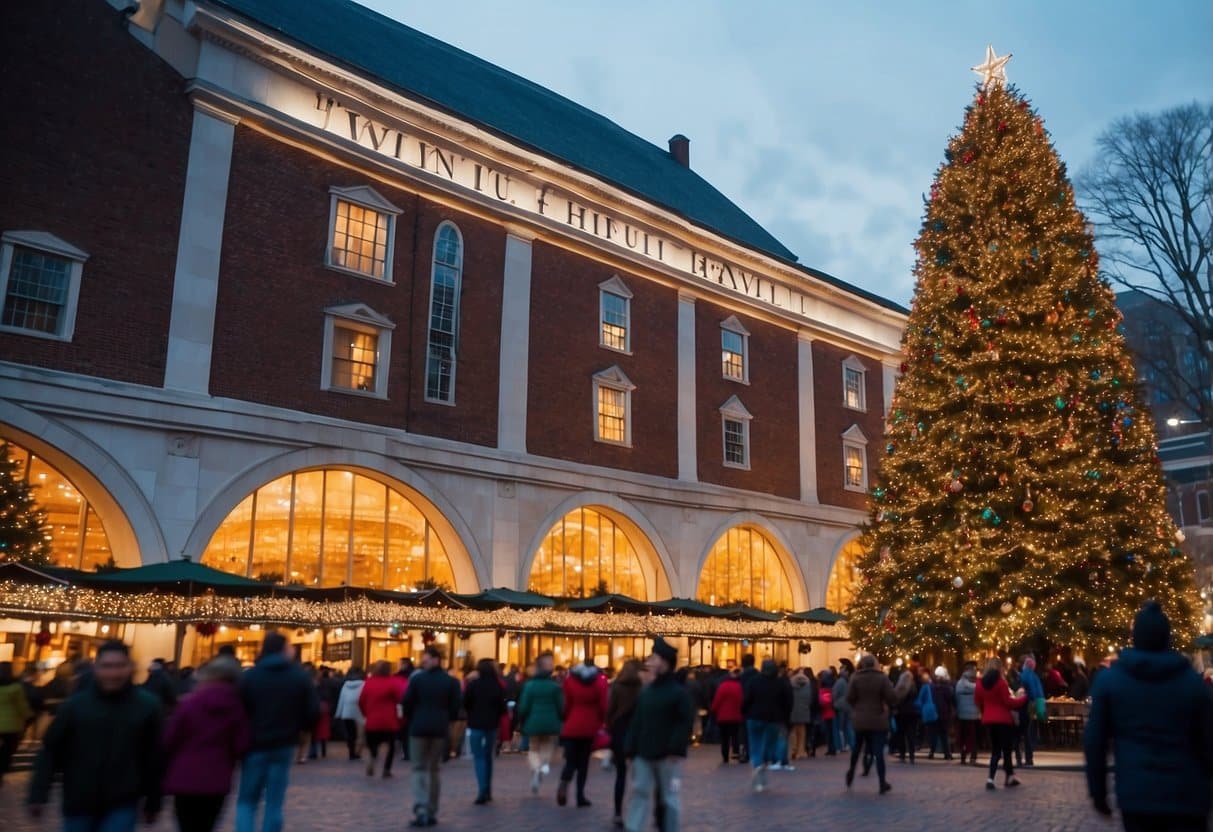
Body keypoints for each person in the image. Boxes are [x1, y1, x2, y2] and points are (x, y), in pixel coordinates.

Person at [1085, 601, 1213, 831]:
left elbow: (1095, 742)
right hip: (1187, 793)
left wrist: (1098, 793)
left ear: (1135, 637)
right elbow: (1207, 740)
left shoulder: (1111, 681)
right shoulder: (1192, 683)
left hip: (1137, 794)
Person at [28, 640, 163, 830]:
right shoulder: (74, 706)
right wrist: (38, 794)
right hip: (79, 800)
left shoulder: (147, 706)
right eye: (107, 666)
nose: (113, 673)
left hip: (122, 801)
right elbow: (51, 751)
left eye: (119, 666)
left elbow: (154, 757)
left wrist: (153, 801)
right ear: (96, 668)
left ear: (130, 667)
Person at [235, 632, 319, 832]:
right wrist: (299, 729)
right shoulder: (299, 677)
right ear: (284, 649)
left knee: (247, 800)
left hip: (254, 744)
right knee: (274, 802)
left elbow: (239, 710)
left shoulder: (250, 676)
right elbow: (312, 711)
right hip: (283, 744)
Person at [162, 656, 249, 832]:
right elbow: (242, 745)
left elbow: (170, 739)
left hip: (185, 776)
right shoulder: (236, 707)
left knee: (186, 825)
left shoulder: (189, 703)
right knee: (206, 826)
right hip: (217, 778)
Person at [623, 637, 693, 832]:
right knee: (640, 792)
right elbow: (637, 721)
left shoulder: (678, 693)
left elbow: (684, 723)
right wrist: (630, 748)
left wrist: (675, 748)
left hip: (667, 756)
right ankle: (633, 828)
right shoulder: (647, 692)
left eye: (653, 658)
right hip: (644, 753)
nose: (649, 662)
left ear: (664, 662)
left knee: (669, 798)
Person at [400, 644, 461, 828]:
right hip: (439, 729)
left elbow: (407, 703)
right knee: (434, 770)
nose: (423, 663)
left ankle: (421, 809)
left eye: (425, 659)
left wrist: (412, 718)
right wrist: (446, 719)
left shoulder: (418, 680)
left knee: (418, 768)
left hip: (418, 727)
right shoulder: (451, 682)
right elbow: (455, 707)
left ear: (434, 659)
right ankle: (432, 809)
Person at [844, 653, 896, 795]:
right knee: (878, 752)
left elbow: (849, 697)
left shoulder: (856, 678)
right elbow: (891, 697)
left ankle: (851, 772)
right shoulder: (882, 678)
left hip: (860, 718)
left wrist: (857, 706)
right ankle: (881, 782)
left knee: (857, 749)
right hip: (878, 719)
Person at [558, 657, 608, 808]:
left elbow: (566, 704)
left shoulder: (570, 681)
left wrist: (566, 718)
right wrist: (601, 721)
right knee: (584, 763)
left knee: (570, 761)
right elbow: (603, 705)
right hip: (589, 726)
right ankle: (580, 796)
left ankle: (563, 784)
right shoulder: (600, 681)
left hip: (572, 725)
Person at [975, 657, 1026, 791]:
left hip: (989, 720)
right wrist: (1023, 699)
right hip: (1003, 720)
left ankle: (990, 779)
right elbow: (1008, 703)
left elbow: (977, 701)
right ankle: (1009, 778)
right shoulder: (1001, 683)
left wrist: (984, 712)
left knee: (995, 750)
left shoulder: (980, 684)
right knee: (1007, 750)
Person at [741, 658, 791, 793]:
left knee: (755, 744)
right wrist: (785, 718)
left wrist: (745, 712)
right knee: (770, 744)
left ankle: (757, 765)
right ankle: (763, 763)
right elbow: (787, 702)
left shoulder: (754, 681)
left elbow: (746, 700)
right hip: (773, 719)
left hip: (754, 717)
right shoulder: (780, 683)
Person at [517, 651, 563, 796]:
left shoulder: (529, 686)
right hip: (551, 723)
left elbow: (524, 706)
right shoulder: (555, 687)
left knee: (533, 748)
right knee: (548, 748)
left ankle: (536, 768)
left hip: (533, 722)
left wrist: (522, 718)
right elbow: (561, 706)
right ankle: (542, 767)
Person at [463, 658, 506, 805]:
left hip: (475, 724)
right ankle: (487, 790)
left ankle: (482, 789)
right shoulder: (497, 686)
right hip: (491, 725)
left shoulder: (473, 685)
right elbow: (502, 707)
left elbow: (465, 703)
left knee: (479, 757)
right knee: (488, 757)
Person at [607, 660, 642, 827]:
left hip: (619, 730)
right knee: (637, 776)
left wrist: (610, 726)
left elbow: (610, 709)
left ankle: (617, 813)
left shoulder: (616, 686)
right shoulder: (641, 688)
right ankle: (634, 812)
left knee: (620, 775)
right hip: (636, 732)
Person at [359, 660, 407, 779]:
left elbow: (361, 701)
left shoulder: (369, 682)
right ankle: (386, 769)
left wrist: (366, 713)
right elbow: (400, 698)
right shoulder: (392, 682)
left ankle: (372, 757)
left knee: (372, 744)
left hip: (372, 720)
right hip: (389, 720)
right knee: (391, 746)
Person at [0, 661, 33, 787]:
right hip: (11, 726)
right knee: (8, 750)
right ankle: (2, 770)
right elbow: (22, 706)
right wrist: (29, 716)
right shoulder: (16, 687)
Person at [1015, 654, 1045, 767]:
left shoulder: (1024, 675)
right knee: (1029, 730)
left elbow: (1027, 691)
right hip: (1035, 703)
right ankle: (1029, 757)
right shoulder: (1034, 675)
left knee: (1023, 731)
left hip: (1026, 705)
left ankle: (1024, 757)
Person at [709, 668, 743, 765]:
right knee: (735, 735)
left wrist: (713, 710)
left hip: (723, 716)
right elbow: (741, 701)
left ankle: (725, 757)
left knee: (724, 738)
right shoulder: (739, 686)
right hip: (736, 716)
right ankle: (736, 752)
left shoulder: (722, 686)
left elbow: (717, 700)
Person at [333, 666, 365, 760]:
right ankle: (357, 752)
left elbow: (341, 699)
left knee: (350, 733)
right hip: (359, 710)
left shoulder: (346, 685)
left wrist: (339, 713)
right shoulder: (363, 684)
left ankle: (351, 752)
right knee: (360, 734)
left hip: (347, 711)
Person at [954, 661, 981, 766]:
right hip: (974, 714)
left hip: (962, 714)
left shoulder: (959, 683)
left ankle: (963, 756)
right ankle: (973, 757)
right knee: (973, 737)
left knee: (963, 736)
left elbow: (956, 697)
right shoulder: (977, 684)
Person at [893, 667, 919, 763]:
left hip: (901, 712)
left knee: (901, 734)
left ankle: (902, 754)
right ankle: (912, 755)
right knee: (911, 734)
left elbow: (896, 698)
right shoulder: (913, 686)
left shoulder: (900, 688)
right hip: (912, 712)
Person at [928, 666, 955, 760]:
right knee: (944, 734)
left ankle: (932, 752)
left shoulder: (931, 686)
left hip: (934, 712)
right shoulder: (947, 687)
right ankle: (947, 753)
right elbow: (951, 699)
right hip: (944, 712)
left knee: (933, 733)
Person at [788, 668, 813, 762]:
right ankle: (801, 751)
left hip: (793, 710)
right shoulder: (807, 684)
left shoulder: (791, 683)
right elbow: (809, 698)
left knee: (793, 731)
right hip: (804, 710)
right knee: (802, 732)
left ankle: (793, 751)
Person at [832, 662, 853, 754]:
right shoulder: (850, 681)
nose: (840, 670)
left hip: (840, 706)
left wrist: (834, 702)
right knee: (848, 727)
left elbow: (834, 694)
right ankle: (851, 744)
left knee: (839, 727)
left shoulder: (840, 681)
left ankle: (840, 746)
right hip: (849, 706)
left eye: (842, 669)